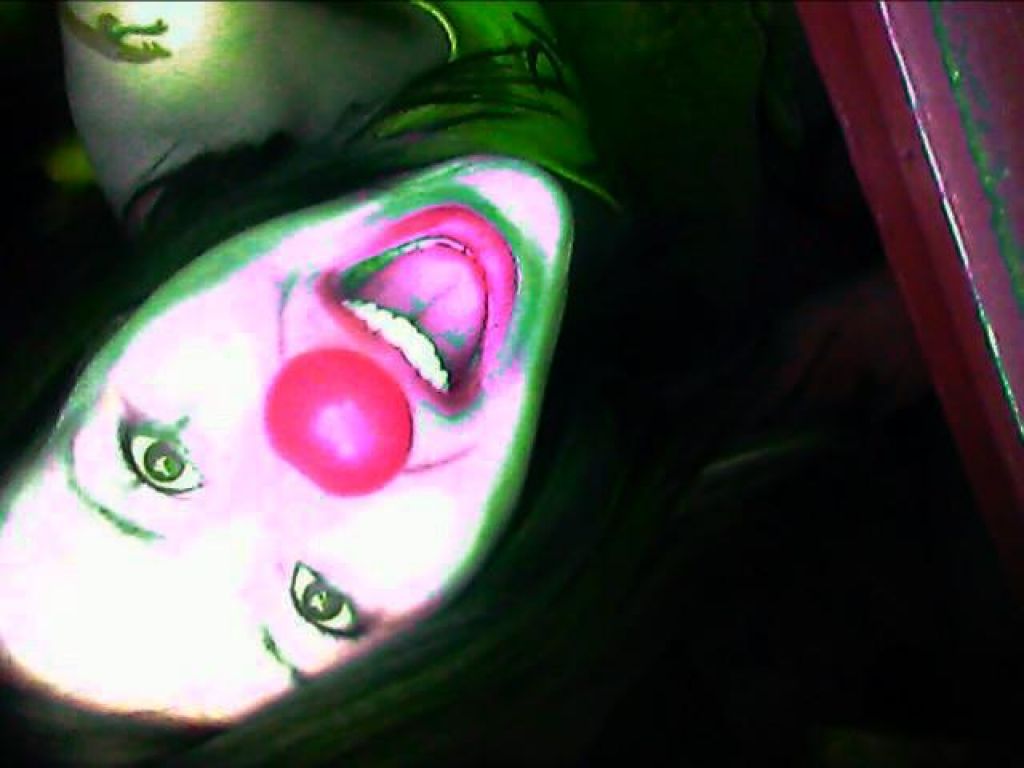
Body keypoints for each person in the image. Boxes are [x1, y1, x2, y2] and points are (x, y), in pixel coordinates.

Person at [0, 3, 701, 765]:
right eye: (320, 603)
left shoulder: (179, 39)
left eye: (158, 459)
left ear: (102, 336)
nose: (326, 435)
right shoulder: (720, 484)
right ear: (450, 650)